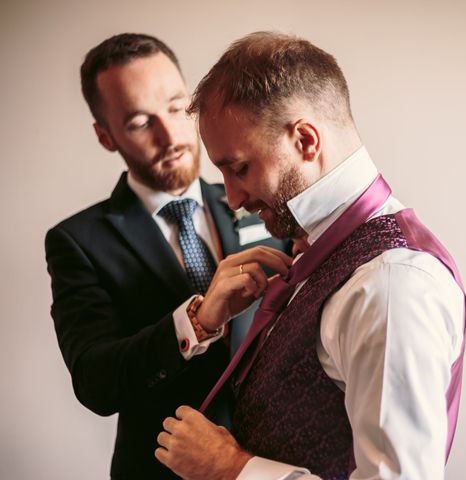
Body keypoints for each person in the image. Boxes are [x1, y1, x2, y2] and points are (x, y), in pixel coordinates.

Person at [155, 32, 466, 480]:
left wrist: (232, 469)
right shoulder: (319, 249)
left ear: (305, 140)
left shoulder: (390, 283)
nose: (232, 197)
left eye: (239, 168)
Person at [44, 33, 290, 479]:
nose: (171, 134)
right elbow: (96, 383)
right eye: (140, 121)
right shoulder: (77, 241)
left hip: (275, 466)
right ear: (106, 136)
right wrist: (197, 323)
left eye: (178, 107)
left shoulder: (259, 198)